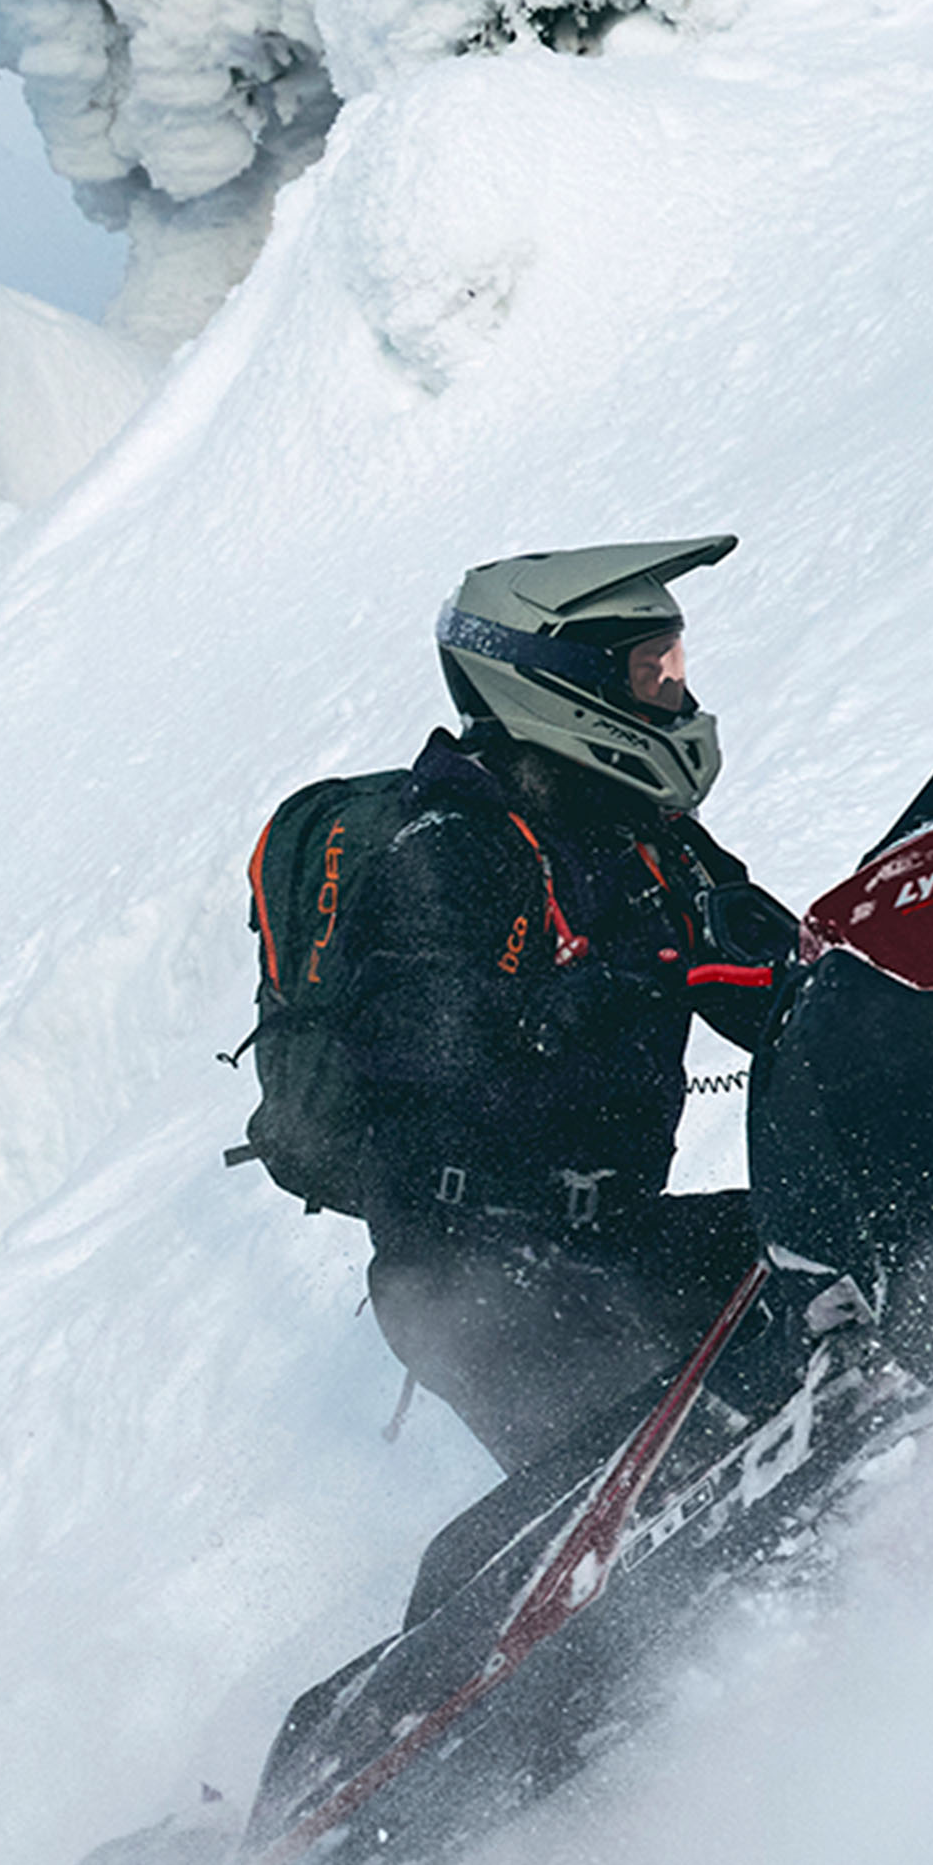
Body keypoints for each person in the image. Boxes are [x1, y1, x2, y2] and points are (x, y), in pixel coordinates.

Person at [337, 535, 798, 1468]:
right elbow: (422, 1073)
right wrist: (603, 993)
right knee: (663, 1522)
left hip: (612, 1241)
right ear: (559, 683)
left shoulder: (649, 839)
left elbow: (780, 971)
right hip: (481, 1279)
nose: (675, 692)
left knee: (840, 1242)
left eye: (674, 665)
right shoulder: (448, 853)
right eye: (649, 671)